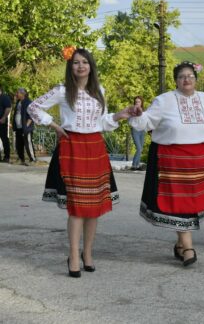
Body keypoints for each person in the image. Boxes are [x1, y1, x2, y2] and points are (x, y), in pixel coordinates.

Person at [28, 47, 134, 278]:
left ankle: (88, 253)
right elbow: (33, 106)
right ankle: (73, 255)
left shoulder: (100, 91)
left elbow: (102, 122)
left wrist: (119, 115)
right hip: (72, 146)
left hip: (95, 147)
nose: (80, 66)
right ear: (71, 66)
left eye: (85, 62)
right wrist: (54, 125)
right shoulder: (63, 90)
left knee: (93, 207)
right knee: (76, 207)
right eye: (76, 62)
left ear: (91, 66)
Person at [129, 61, 204, 267]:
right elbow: (147, 123)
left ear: (196, 80)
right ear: (176, 81)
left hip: (199, 160)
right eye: (181, 76)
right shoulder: (164, 100)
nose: (186, 79)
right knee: (181, 204)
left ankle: (181, 243)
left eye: (190, 76)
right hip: (173, 159)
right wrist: (138, 115)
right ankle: (188, 247)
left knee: (192, 205)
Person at [12, 88, 36, 166]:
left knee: (27, 143)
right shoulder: (19, 102)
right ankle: (21, 159)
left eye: (18, 92)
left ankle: (32, 159)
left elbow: (31, 116)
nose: (16, 94)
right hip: (19, 127)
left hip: (26, 127)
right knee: (19, 144)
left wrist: (26, 126)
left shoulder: (28, 102)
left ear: (23, 94)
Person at [130, 96, 145, 170]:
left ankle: (137, 165)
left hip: (142, 131)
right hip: (135, 130)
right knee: (139, 148)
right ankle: (134, 165)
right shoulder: (132, 111)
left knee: (141, 149)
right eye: (136, 102)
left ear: (141, 103)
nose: (137, 103)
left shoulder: (144, 111)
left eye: (139, 102)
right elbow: (130, 121)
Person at [0, 85, 12, 162]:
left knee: (4, 139)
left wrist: (4, 117)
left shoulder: (4, 97)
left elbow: (8, 108)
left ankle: (7, 157)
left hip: (2, 121)